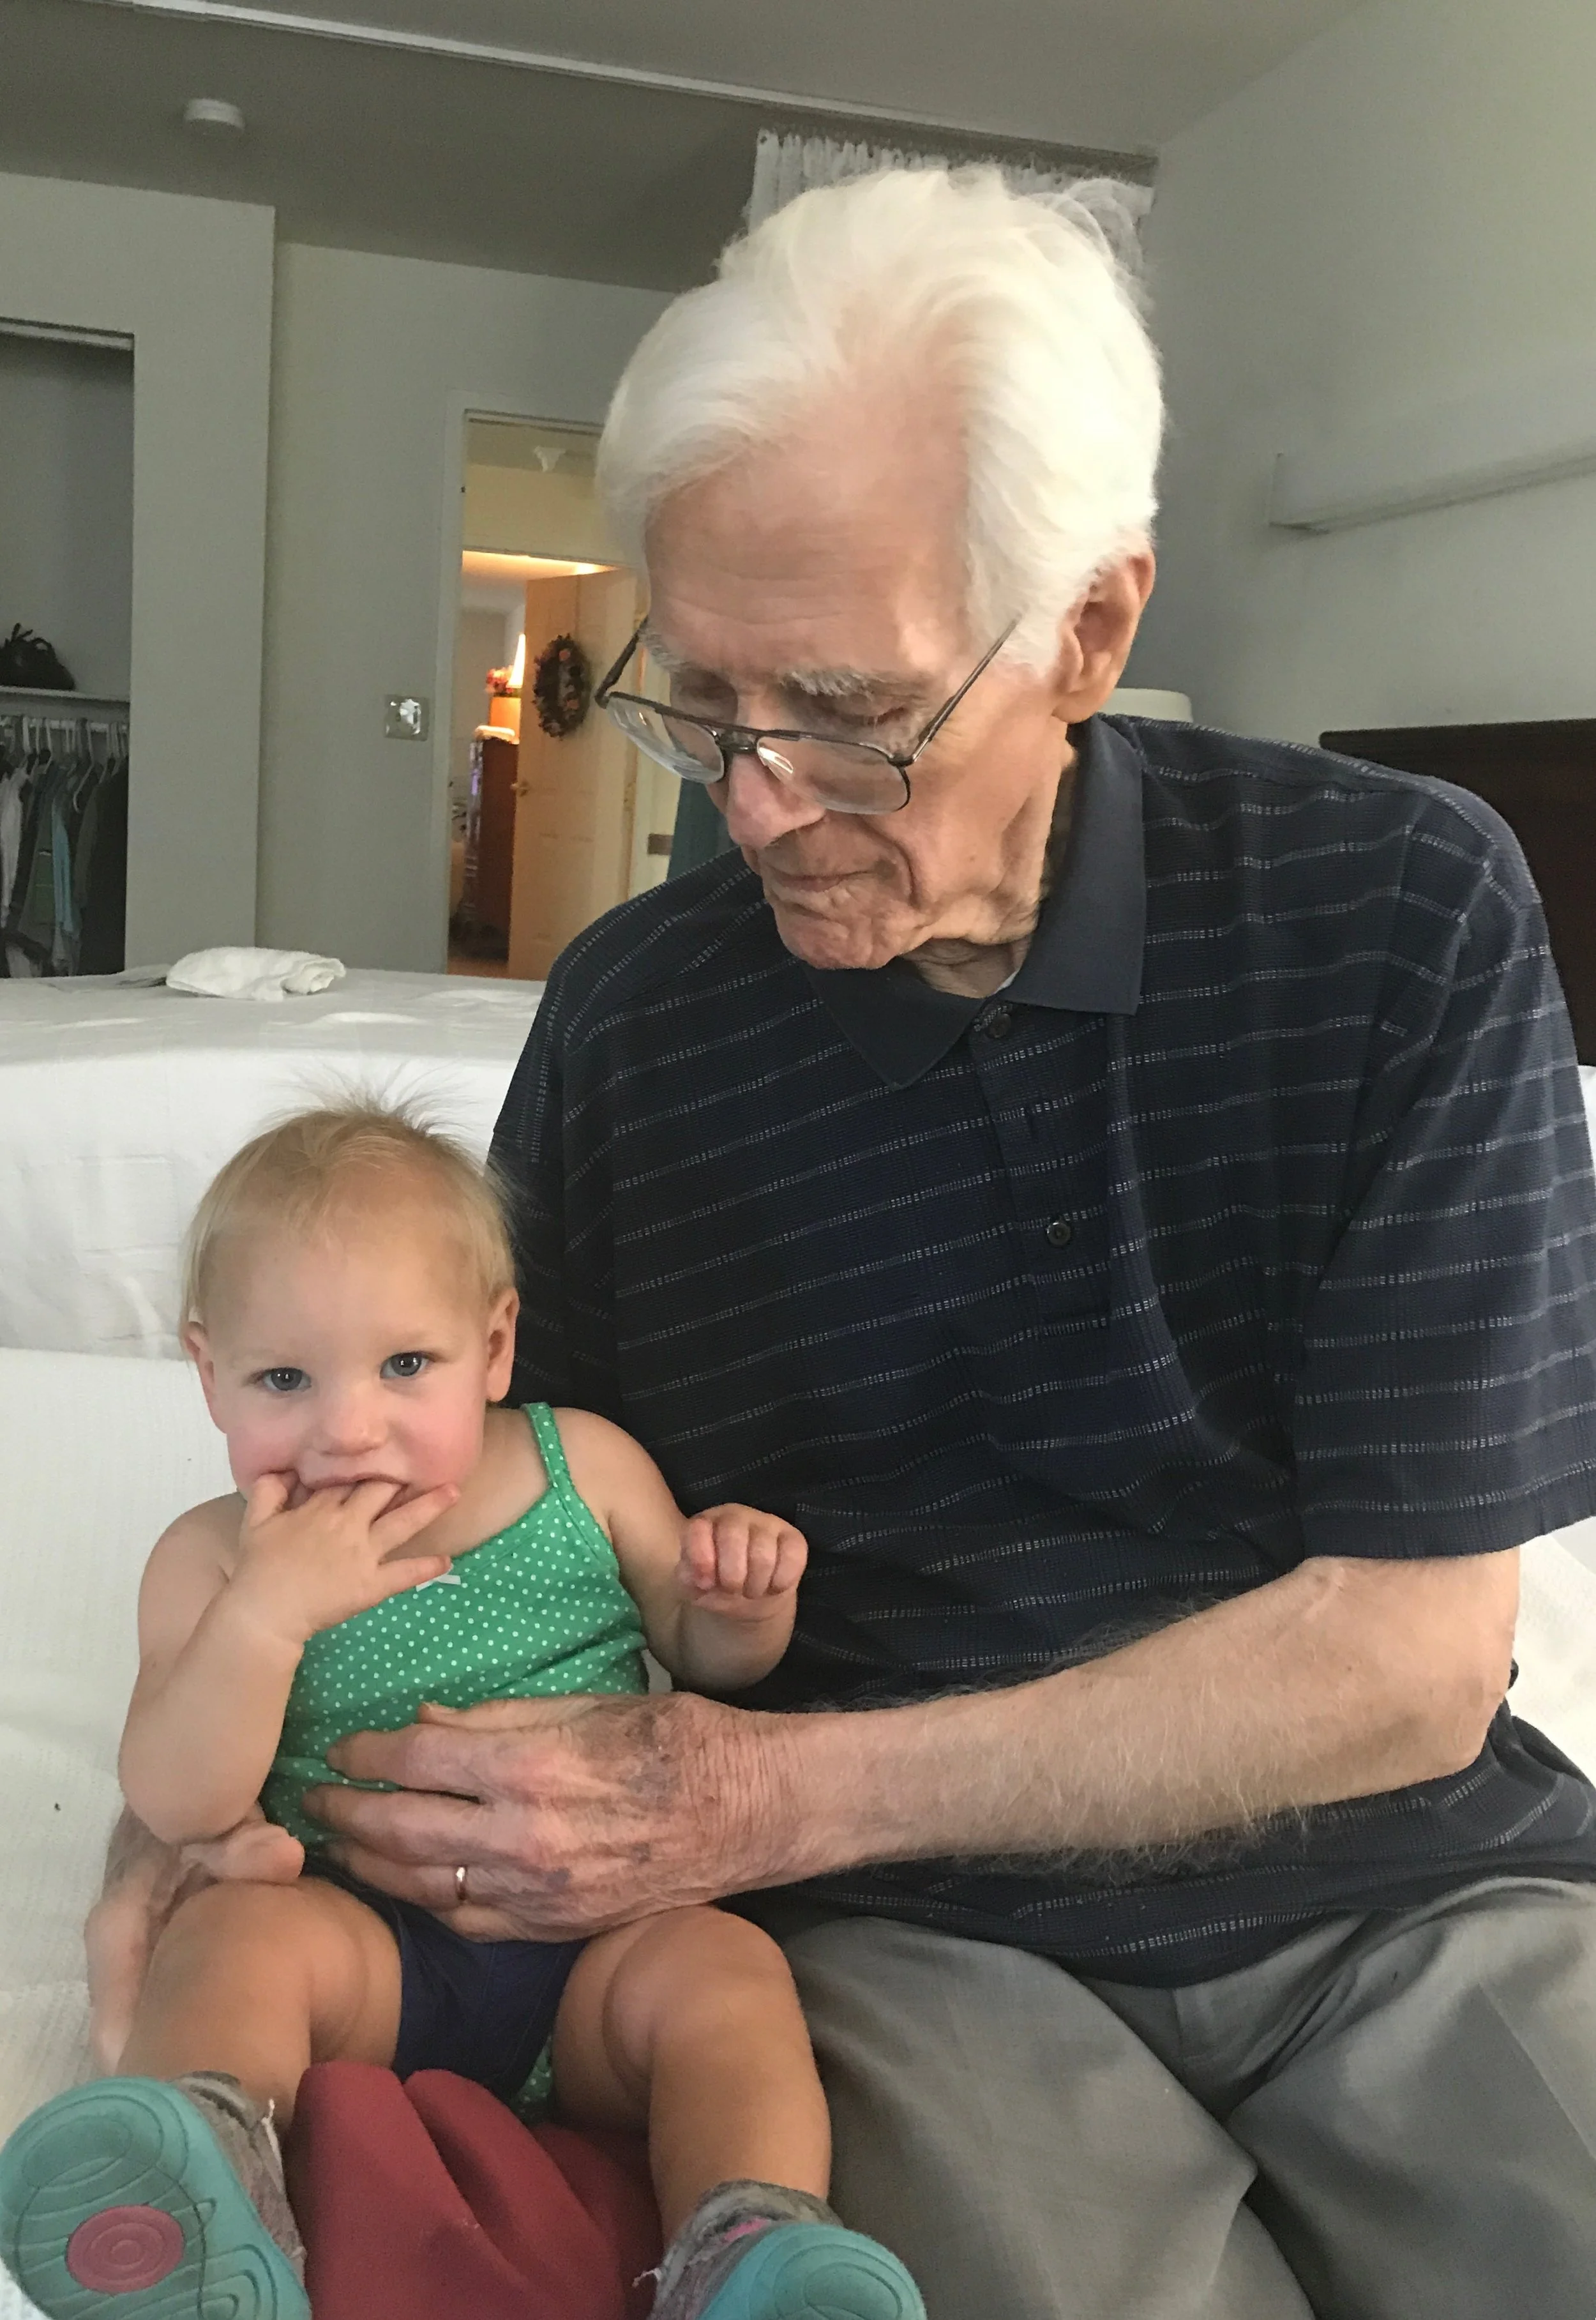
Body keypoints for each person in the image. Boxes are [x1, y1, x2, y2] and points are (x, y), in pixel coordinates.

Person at [82, 166, 1596, 2319]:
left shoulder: (1405, 913)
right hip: (915, 1939)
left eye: (846, 708)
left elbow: (1411, 1662)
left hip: (1410, 1894)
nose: (756, 803)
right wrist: (188, 1843)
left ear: (1089, 632)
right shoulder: (636, 1019)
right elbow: (473, 1503)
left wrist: (747, 1794)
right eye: (696, 698)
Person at [0, 1105, 926, 2320]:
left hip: (602, 1952)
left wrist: (739, 1609)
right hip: (365, 1950)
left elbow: (703, 1667)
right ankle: (198, 2186)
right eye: (284, 1378)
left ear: (494, 1351)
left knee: (730, 1973)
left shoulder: (584, 1466)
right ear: (206, 1370)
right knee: (230, 1942)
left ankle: (746, 2247)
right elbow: (179, 1800)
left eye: (406, 1366)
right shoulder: (213, 1561)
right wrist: (264, 1622)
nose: (348, 1428)